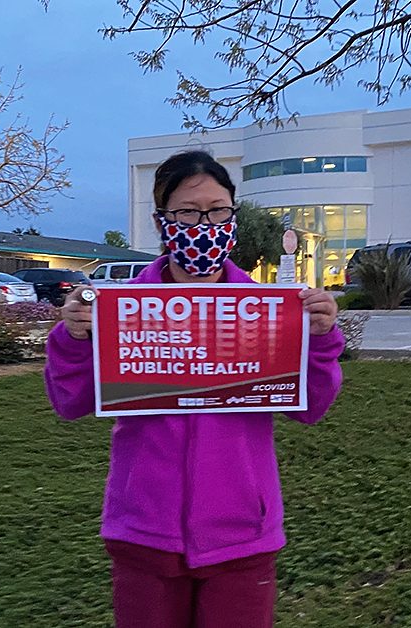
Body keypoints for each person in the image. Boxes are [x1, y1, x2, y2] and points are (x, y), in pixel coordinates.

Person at [44, 150, 344, 628]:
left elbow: (310, 408)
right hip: (143, 532)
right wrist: (75, 338)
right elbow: (70, 402)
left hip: (242, 535)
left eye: (218, 210)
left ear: (233, 216)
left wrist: (321, 340)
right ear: (163, 220)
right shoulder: (123, 309)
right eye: (187, 211)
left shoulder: (266, 309)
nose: (205, 223)